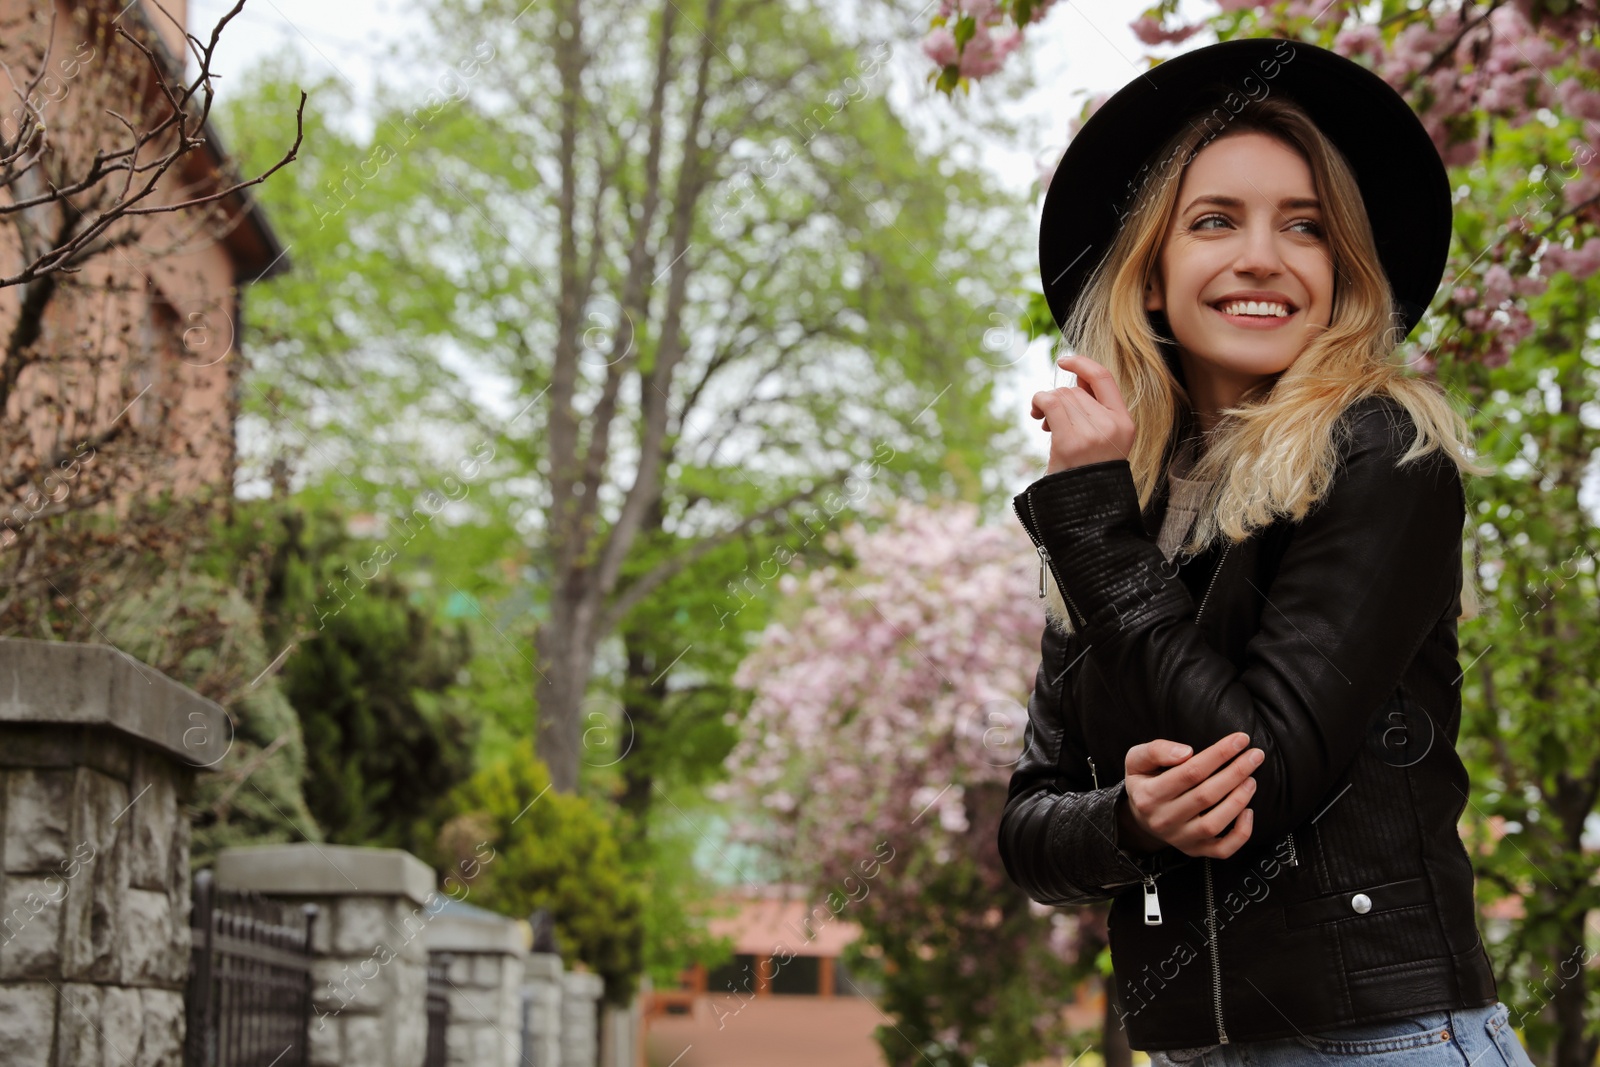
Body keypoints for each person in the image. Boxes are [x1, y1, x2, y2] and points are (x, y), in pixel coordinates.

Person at [997, 37, 1541, 1066]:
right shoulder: (1121, 506)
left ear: (1339, 274)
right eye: (1213, 222)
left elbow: (1260, 772)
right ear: (1150, 278)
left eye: (1306, 227)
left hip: (1382, 1040)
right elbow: (1029, 825)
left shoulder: (1380, 450)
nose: (1263, 257)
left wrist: (1089, 519)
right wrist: (1131, 816)